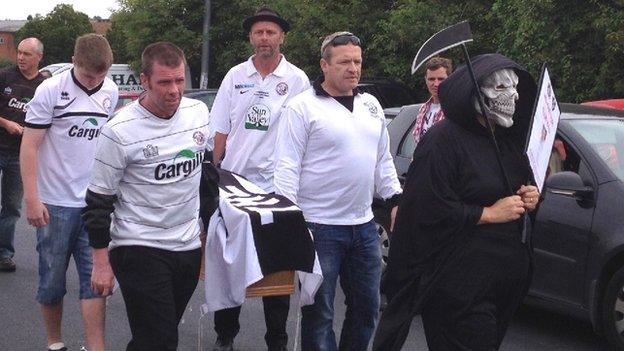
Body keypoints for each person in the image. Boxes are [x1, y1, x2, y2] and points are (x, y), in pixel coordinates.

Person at [374, 53, 540, 351]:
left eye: (513, 88)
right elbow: (426, 208)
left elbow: (517, 185)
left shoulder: (504, 139)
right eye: (501, 88)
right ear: (474, 94)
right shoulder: (443, 141)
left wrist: (529, 195)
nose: (512, 96)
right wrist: (487, 214)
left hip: (501, 282)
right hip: (458, 285)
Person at [274, 31, 402, 351]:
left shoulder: (371, 105)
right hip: (318, 228)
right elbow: (286, 167)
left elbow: (381, 160)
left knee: (367, 309)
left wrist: (396, 199)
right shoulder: (301, 108)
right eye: (344, 61)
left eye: (357, 61)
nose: (353, 68)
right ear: (324, 64)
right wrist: (287, 221)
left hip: (364, 227)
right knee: (319, 314)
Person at [82, 42, 212, 351]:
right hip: (138, 246)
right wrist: (100, 263)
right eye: (164, 82)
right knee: (161, 339)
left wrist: (207, 232)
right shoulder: (119, 130)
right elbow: (98, 201)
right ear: (145, 80)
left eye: (180, 81)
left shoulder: (199, 112)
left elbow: (205, 178)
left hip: (187, 245)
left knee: (152, 337)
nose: (174, 90)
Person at [209, 7, 310, 351]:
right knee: (230, 263)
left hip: (276, 187)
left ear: (282, 36)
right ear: (250, 38)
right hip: (235, 185)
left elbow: (304, 134)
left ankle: (277, 341)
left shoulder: (297, 79)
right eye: (258, 33)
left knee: (278, 268)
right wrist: (215, 171)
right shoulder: (235, 76)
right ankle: (225, 335)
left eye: (270, 32)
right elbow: (220, 128)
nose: (264, 38)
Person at [20, 33, 118, 351]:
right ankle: (55, 342)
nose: (96, 81)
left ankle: (95, 346)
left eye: (102, 75)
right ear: (74, 62)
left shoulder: (111, 91)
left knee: (96, 283)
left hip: (93, 205)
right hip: (54, 204)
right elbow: (30, 147)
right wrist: (33, 199)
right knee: (52, 283)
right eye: (90, 74)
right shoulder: (50, 91)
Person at [0, 37, 45, 272]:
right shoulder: (5, 77)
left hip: (20, 156)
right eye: (19, 52)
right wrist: (6, 123)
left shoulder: (44, 86)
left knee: (11, 207)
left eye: (27, 54)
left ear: (39, 57)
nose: (20, 57)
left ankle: (4, 254)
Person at [412, 56, 452, 145]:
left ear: (450, 79)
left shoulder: (454, 109)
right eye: (431, 79)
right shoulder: (422, 109)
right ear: (425, 80)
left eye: (441, 79)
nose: (436, 84)